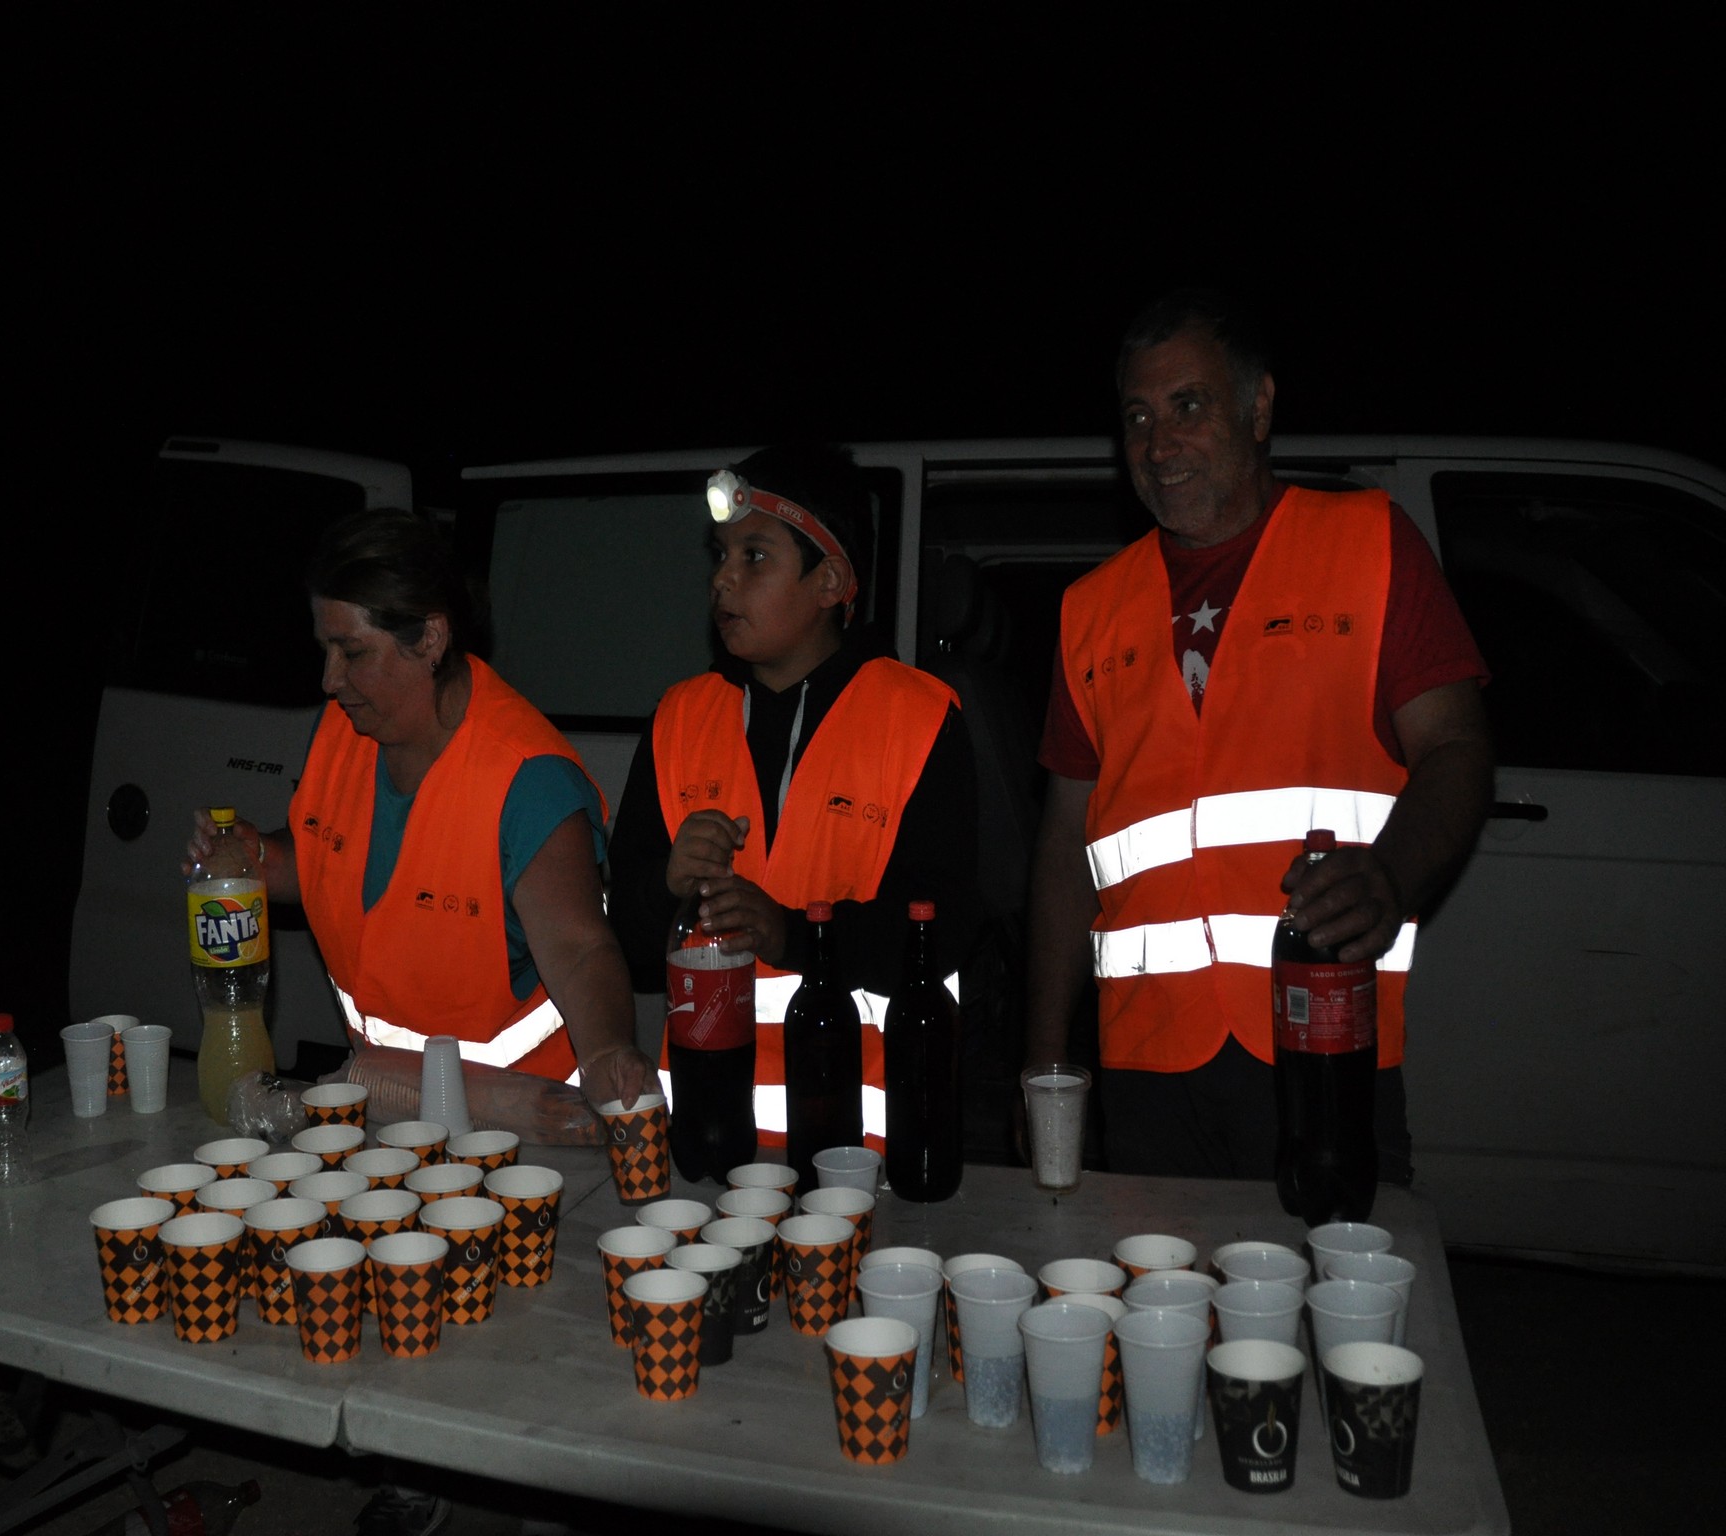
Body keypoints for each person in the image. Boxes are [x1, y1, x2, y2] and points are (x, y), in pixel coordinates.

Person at [1023, 290, 1494, 1182]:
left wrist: (1391, 874)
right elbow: (1063, 844)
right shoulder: (1089, 609)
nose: (1159, 445)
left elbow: (1457, 749)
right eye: (1137, 417)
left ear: (1260, 407)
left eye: (1188, 406)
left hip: (1322, 1033)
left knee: (1330, 1268)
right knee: (1155, 1275)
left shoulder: (1366, 542)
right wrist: (1046, 1059)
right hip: (1147, 1060)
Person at [185, 507, 656, 1115]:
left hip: (517, 1130)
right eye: (325, 649)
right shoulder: (344, 728)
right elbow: (334, 864)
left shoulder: (527, 781)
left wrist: (609, 1052)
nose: (330, 679)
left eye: (352, 652)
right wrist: (257, 859)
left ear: (430, 638)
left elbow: (580, 949)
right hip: (388, 1112)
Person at [609, 444, 980, 1149]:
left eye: (755, 557)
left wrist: (793, 935)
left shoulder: (919, 717)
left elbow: (945, 929)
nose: (722, 579)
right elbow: (624, 939)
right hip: (709, 1134)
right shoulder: (680, 718)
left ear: (829, 580)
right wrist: (667, 885)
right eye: (720, 555)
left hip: (865, 1143)